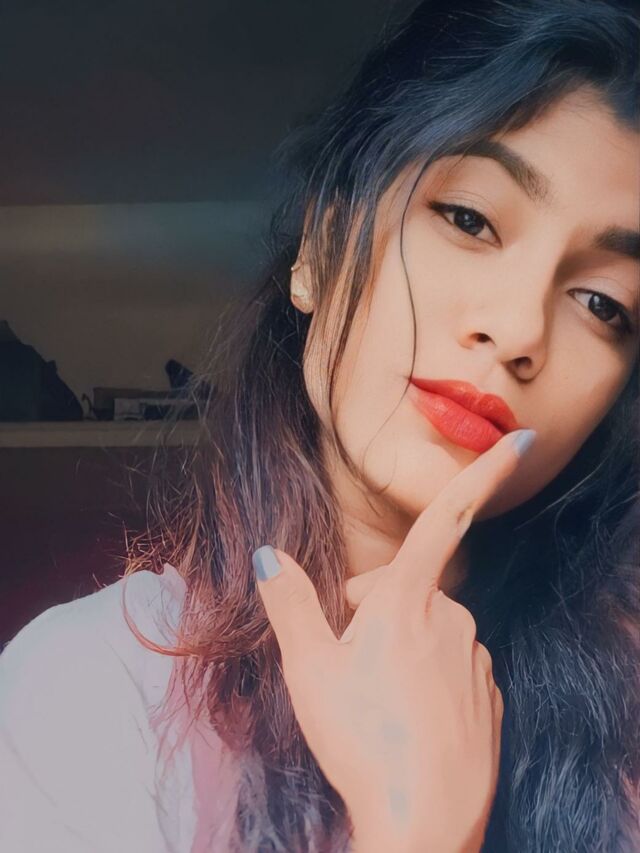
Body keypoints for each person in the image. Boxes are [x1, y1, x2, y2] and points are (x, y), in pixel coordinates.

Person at [1, 0, 638, 850]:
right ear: (322, 248)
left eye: (602, 302)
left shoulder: (624, 723)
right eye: (469, 218)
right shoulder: (87, 691)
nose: (520, 330)